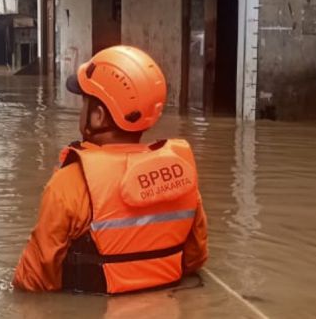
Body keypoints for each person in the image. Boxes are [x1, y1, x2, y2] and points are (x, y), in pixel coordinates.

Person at [12, 45, 208, 294]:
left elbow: (33, 282)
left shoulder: (68, 184)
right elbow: (195, 258)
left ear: (98, 116)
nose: (81, 112)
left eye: (84, 103)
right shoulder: (179, 176)